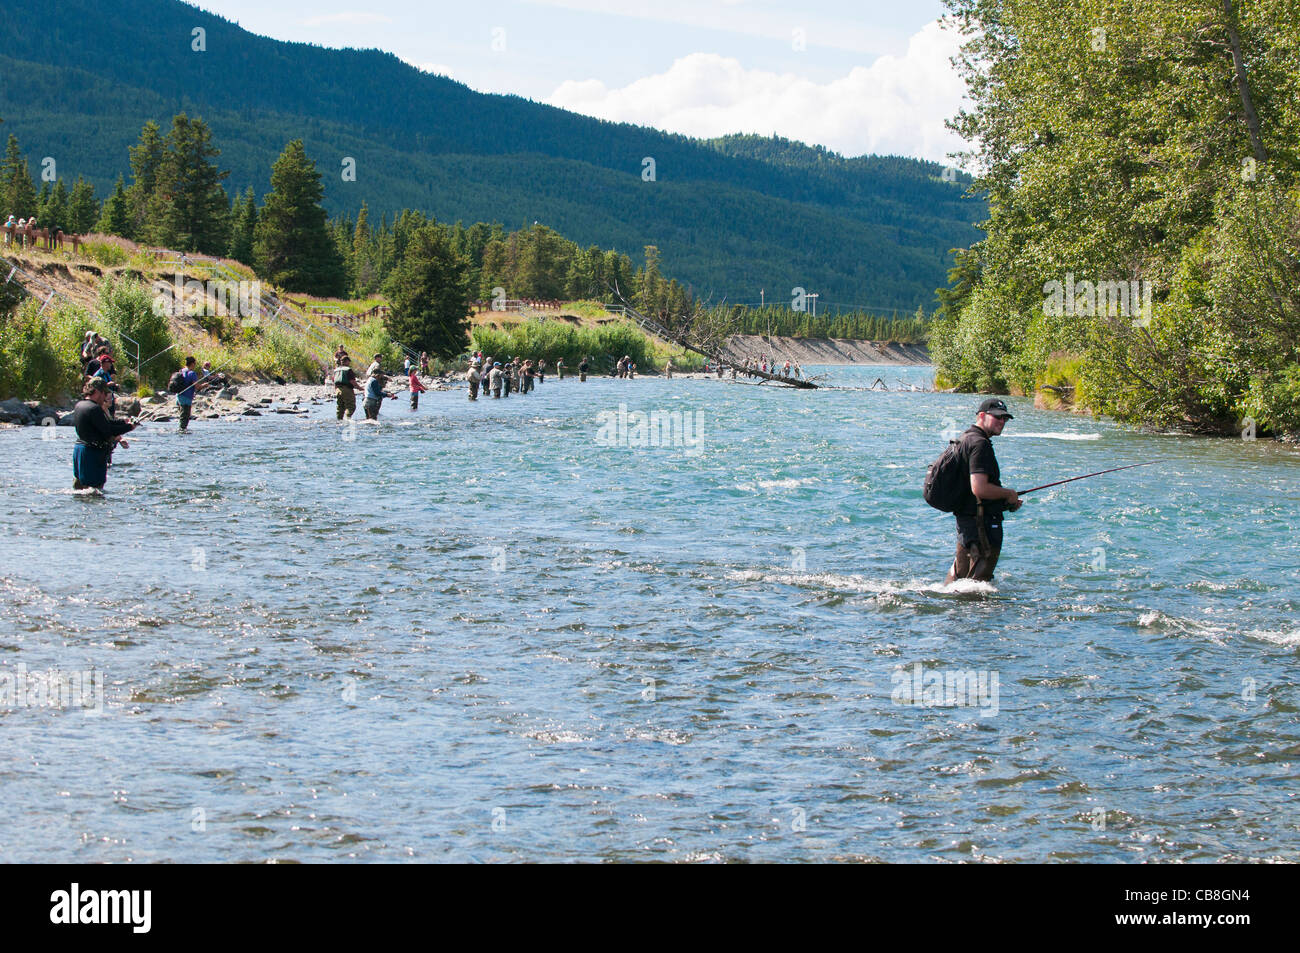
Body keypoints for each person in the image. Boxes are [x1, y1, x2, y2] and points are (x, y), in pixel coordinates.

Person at [944, 398, 1022, 584]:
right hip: (981, 526)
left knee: (960, 576)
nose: (1002, 422)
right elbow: (979, 488)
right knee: (977, 583)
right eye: (997, 417)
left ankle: (950, 607)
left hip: (967, 522)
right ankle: (974, 612)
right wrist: (1008, 494)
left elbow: (971, 491)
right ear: (981, 416)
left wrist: (1004, 501)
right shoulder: (980, 444)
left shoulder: (965, 439)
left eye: (1005, 419)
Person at [71, 378, 135, 491]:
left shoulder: (80, 405)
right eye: (104, 393)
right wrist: (130, 427)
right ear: (97, 391)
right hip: (92, 454)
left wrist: (123, 422)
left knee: (80, 489)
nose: (106, 397)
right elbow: (108, 431)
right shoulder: (94, 408)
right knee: (94, 492)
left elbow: (105, 423)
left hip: (80, 451)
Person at [174, 356, 208, 432]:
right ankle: (182, 431)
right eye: (195, 363)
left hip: (179, 396)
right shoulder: (192, 373)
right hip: (187, 397)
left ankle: (181, 429)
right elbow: (197, 387)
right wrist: (205, 385)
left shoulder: (181, 371)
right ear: (192, 364)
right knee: (185, 416)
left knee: (182, 415)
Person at [333, 355, 362, 420]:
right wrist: (359, 387)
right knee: (351, 406)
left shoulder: (336, 370)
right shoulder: (348, 370)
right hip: (347, 390)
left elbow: (334, 381)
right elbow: (352, 381)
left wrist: (336, 390)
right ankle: (347, 419)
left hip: (338, 389)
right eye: (349, 362)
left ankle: (339, 420)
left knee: (340, 407)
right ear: (347, 362)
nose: (349, 363)